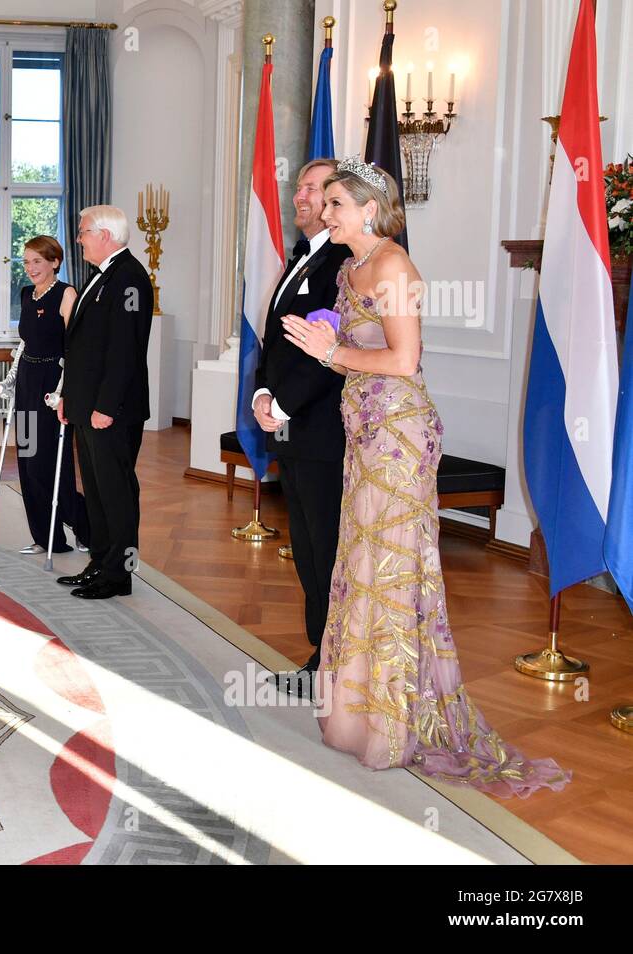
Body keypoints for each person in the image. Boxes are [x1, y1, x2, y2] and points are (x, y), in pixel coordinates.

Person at [282, 156, 569, 796]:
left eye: (334, 204)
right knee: (358, 564)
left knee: (390, 566)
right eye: (323, 203)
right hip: (364, 431)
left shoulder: (392, 266)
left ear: (368, 208)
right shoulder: (353, 269)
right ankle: (355, 713)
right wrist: (324, 349)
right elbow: (351, 349)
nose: (323, 213)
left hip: (399, 437)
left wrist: (333, 352)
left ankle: (391, 722)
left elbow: (404, 359)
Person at [251, 160, 352, 697]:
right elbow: (276, 340)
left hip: (322, 429)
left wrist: (284, 404)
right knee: (307, 547)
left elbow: (328, 353)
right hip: (290, 423)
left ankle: (333, 663)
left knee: (328, 547)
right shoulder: (302, 257)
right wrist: (263, 393)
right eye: (300, 188)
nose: (300, 197)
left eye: (315, 190)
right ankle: (321, 656)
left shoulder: (343, 262)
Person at [56, 206, 154, 600]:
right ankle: (99, 563)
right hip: (87, 405)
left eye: (82, 232)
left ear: (104, 234)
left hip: (112, 410)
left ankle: (119, 575)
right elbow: (81, 349)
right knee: (95, 491)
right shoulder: (101, 277)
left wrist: (106, 407)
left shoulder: (129, 279)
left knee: (117, 494)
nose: (78, 239)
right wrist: (69, 398)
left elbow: (125, 352)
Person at [13, 235, 89, 555]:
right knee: (28, 462)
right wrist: (11, 378)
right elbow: (26, 343)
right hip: (28, 382)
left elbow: (77, 347)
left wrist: (65, 391)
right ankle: (47, 538)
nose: (31, 268)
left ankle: (87, 528)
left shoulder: (66, 294)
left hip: (53, 385)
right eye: (27, 261)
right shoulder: (27, 295)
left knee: (51, 464)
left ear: (54, 262)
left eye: (38, 262)